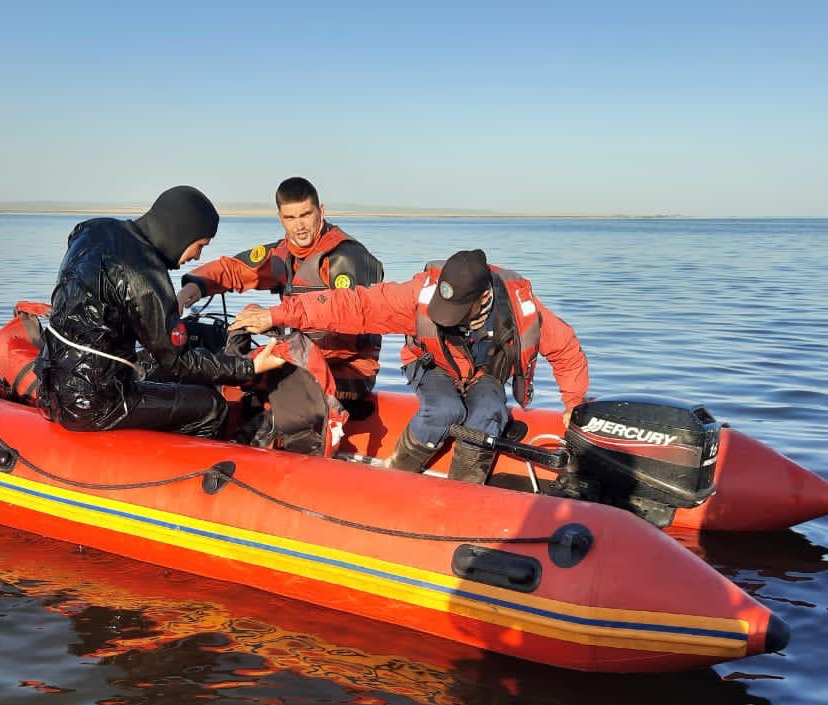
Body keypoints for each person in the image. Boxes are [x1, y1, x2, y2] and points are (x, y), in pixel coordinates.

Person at [230, 248, 589, 484]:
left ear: (482, 299)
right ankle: (397, 479)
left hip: (485, 373)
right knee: (444, 410)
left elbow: (566, 349)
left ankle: (463, 494)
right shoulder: (416, 296)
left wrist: (574, 403)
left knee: (488, 416)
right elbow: (353, 305)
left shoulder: (520, 309)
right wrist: (278, 313)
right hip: (433, 364)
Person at [36, 185, 284, 437]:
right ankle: (187, 472)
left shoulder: (93, 229)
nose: (197, 256)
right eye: (199, 245)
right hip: (93, 404)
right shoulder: (145, 273)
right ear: (180, 232)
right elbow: (178, 362)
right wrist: (248, 367)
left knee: (160, 367)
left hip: (51, 388)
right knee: (211, 406)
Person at [177, 177, 384, 411]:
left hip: (346, 370)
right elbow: (234, 269)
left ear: (321, 211)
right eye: (290, 218)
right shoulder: (284, 254)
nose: (299, 226)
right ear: (280, 219)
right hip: (303, 357)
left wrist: (275, 321)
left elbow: (348, 319)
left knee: (250, 372)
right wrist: (189, 290)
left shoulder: (347, 258)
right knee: (221, 361)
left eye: (306, 214)